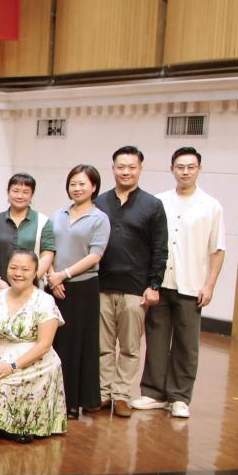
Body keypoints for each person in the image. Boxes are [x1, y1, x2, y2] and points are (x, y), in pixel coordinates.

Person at [134, 147, 226, 419]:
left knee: (187, 345)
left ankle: (179, 397)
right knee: (156, 340)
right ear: (171, 169)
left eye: (191, 167)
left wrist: (210, 285)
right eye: (180, 167)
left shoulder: (211, 206)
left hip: (191, 285)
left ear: (199, 169)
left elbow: (217, 249)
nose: (185, 172)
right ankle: (154, 393)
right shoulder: (158, 201)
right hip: (160, 283)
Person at [95, 147, 168, 418]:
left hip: (136, 288)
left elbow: (160, 249)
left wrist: (154, 285)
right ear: (113, 168)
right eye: (121, 167)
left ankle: (122, 395)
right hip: (101, 286)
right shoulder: (99, 202)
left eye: (131, 167)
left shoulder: (152, 205)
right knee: (102, 346)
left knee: (129, 347)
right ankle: (103, 393)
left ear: (140, 169)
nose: (126, 172)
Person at [0, 249, 68, 442]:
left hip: (36, 361)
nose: (18, 273)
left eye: (25, 269)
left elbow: (45, 344)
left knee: (14, 381)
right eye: (13, 268)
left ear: (35, 272)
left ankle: (24, 426)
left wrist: (12, 366)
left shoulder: (44, 300)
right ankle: (0, 425)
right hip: (1, 355)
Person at [47, 164, 110, 418]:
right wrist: (53, 277)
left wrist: (64, 274)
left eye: (82, 184)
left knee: (78, 345)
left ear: (93, 187)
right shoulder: (58, 214)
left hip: (83, 287)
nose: (77, 188)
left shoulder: (100, 218)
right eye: (73, 183)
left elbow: (95, 255)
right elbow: (48, 247)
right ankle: (52, 400)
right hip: (55, 286)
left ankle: (73, 402)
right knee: (57, 343)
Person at [0, 173, 56, 291]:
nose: (20, 196)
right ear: (8, 192)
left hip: (32, 288)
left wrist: (30, 279)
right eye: (15, 191)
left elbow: (47, 254)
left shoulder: (43, 222)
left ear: (32, 195)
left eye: (25, 192)